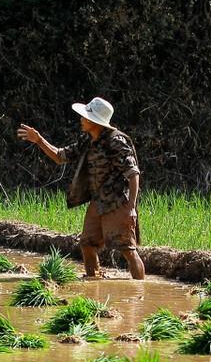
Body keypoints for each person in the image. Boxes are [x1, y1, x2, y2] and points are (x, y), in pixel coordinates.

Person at [17, 96, 146, 280]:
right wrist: (38, 140)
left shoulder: (116, 141)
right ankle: (94, 281)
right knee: (87, 244)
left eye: (85, 117)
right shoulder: (87, 140)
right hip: (98, 202)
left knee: (127, 249)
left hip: (117, 202)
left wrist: (131, 208)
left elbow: (133, 174)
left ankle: (140, 293)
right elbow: (60, 156)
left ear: (94, 121)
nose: (81, 119)